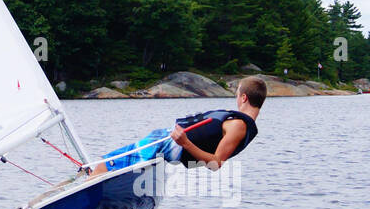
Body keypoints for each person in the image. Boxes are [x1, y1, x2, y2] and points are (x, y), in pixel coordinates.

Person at [87, 75, 266, 176]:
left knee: (104, 165)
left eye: (237, 94)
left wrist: (185, 143)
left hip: (166, 144)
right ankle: (88, 180)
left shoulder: (239, 125)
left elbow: (215, 164)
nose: (236, 98)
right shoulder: (242, 125)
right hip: (168, 144)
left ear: (243, 98)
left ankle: (82, 204)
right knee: (103, 166)